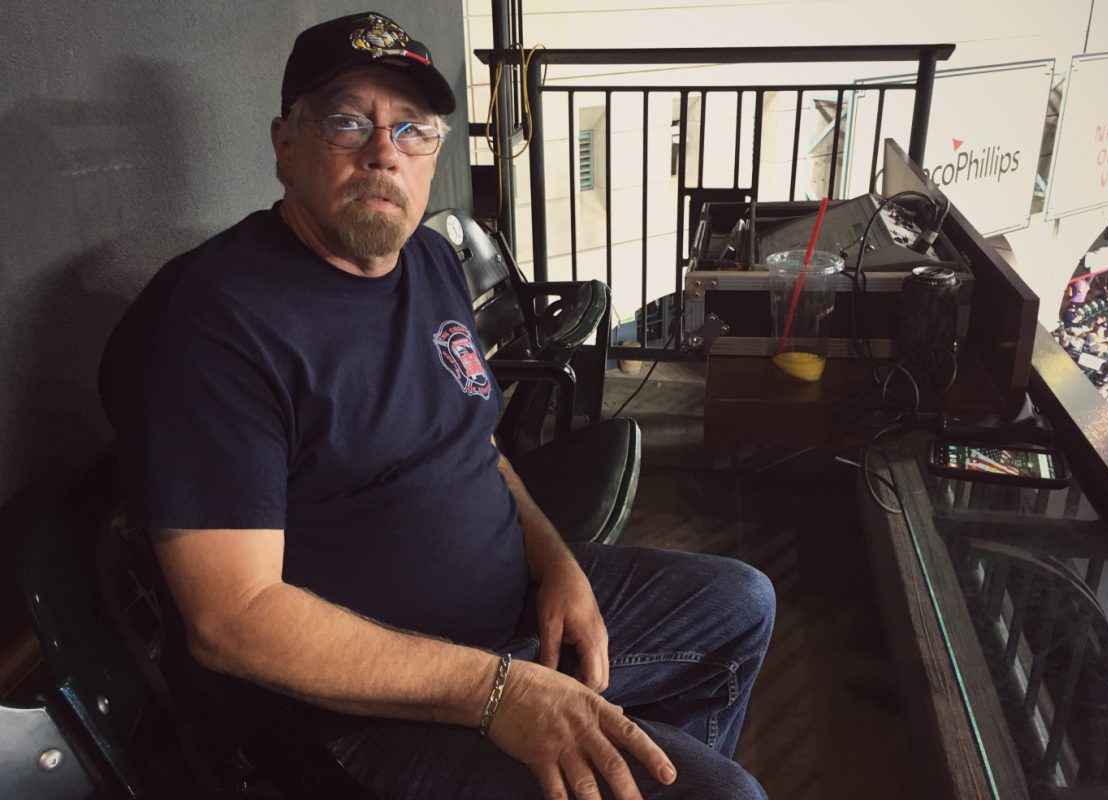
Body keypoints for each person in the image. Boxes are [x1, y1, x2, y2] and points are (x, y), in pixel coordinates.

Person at [97, 11, 775, 800]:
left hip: (504, 632)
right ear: (287, 144)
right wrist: (496, 691)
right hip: (357, 717)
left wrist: (556, 564)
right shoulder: (218, 318)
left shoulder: (424, 258)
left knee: (738, 604)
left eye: (413, 129)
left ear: (433, 153)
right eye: (349, 121)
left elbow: (476, 448)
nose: (385, 151)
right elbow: (232, 620)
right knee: (721, 796)